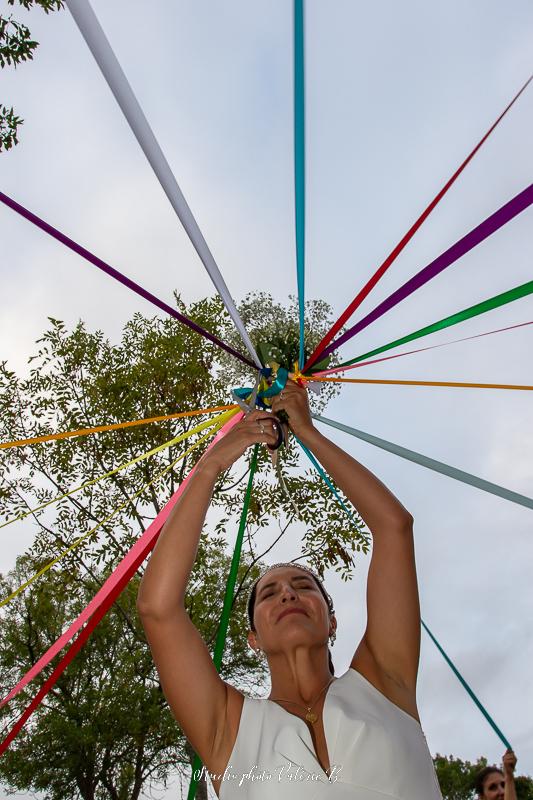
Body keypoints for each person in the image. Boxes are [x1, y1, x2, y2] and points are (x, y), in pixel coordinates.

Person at [137, 381, 443, 798]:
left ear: (331, 620)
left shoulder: (386, 681)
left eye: (304, 586)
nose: (288, 594)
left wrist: (307, 431)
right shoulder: (226, 727)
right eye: (268, 593)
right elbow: (158, 609)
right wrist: (211, 465)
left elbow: (394, 528)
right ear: (253, 639)